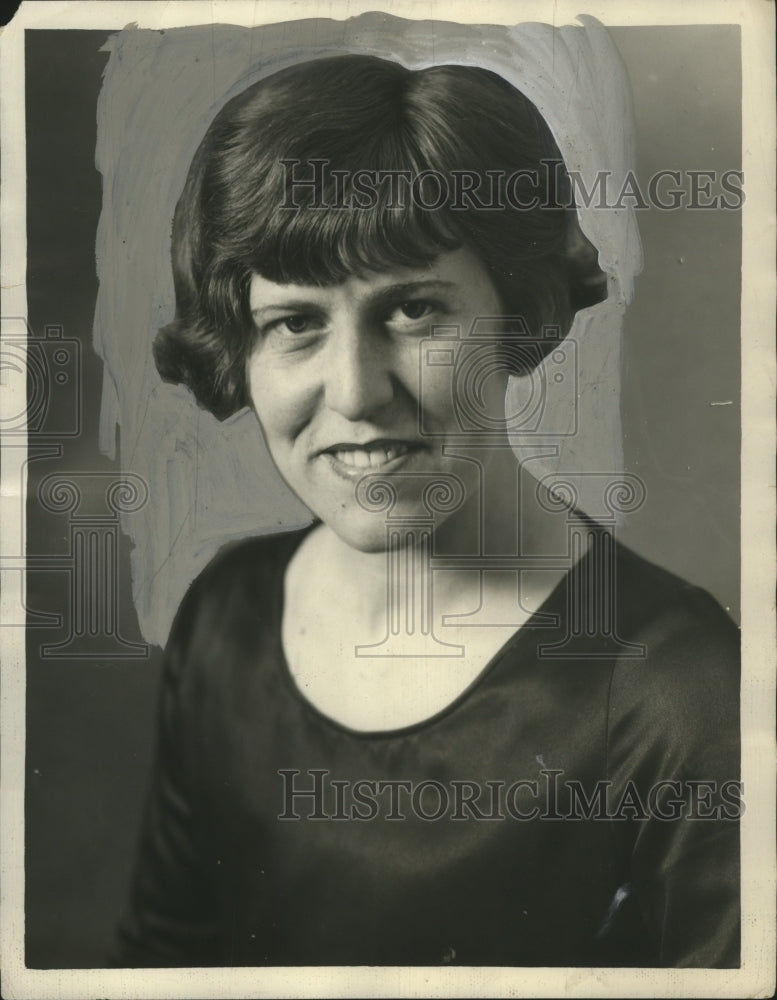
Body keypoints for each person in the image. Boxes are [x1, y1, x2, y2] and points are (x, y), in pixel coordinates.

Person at [114, 53, 740, 968]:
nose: (357, 393)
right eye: (294, 323)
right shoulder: (228, 613)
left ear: (513, 314)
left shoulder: (676, 692)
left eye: (412, 311)